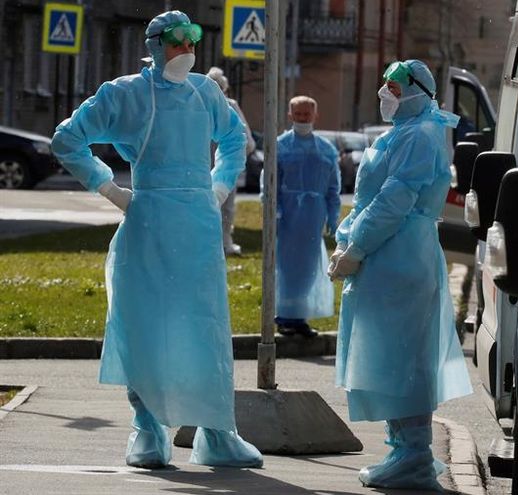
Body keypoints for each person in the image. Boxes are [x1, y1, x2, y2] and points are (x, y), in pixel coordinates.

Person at [50, 10, 262, 469]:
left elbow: (234, 138)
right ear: (153, 45)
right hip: (148, 220)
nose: (187, 48)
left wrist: (219, 187)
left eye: (193, 38)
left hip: (198, 224)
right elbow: (67, 139)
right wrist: (111, 190)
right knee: (145, 323)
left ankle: (217, 432)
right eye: (176, 39)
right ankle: (147, 430)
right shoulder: (125, 94)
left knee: (205, 325)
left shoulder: (205, 92)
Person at [328, 59, 472, 491]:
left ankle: (414, 455)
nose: (384, 93)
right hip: (388, 255)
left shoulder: (421, 135)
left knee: (403, 358)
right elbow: (368, 198)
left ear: (417, 92)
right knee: (390, 356)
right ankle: (403, 451)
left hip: (401, 257)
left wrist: (357, 246)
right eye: (385, 85)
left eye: (394, 87)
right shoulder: (403, 133)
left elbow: (394, 201)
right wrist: (346, 238)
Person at [263, 96, 340, 338]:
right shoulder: (280, 146)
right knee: (287, 266)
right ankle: (284, 315)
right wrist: (273, 211)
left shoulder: (326, 149)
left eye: (307, 114)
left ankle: (300, 316)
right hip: (288, 215)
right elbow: (270, 183)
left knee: (308, 267)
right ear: (290, 115)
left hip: (313, 215)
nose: (303, 118)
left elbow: (333, 187)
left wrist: (333, 215)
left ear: (315, 115)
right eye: (298, 114)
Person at [206, 66, 256, 256]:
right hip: (217, 166)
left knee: (221, 206)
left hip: (217, 166)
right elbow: (247, 141)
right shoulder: (225, 106)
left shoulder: (221, 106)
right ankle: (222, 242)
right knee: (223, 206)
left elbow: (246, 140)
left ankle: (222, 241)